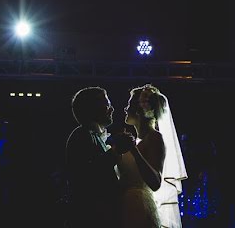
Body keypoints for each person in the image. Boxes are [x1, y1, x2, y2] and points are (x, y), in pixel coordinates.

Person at [65, 87, 136, 228]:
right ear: (93, 109)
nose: (112, 109)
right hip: (91, 218)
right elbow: (87, 175)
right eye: (107, 105)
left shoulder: (95, 135)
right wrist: (117, 150)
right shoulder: (82, 135)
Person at [119, 84, 188, 228]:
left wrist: (134, 151)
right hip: (125, 205)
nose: (125, 109)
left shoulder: (155, 138)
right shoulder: (138, 141)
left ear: (139, 110)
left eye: (129, 104)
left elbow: (156, 183)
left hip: (139, 207)